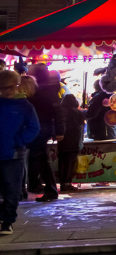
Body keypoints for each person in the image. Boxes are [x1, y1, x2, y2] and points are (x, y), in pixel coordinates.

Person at [0, 70, 40, 235]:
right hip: (8, 152)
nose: (5, 91)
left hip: (13, 154)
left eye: (8, 88)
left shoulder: (25, 106)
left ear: (17, 86)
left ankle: (7, 220)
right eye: (2, 88)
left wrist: (18, 141)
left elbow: (34, 128)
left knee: (12, 188)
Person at [26, 64, 64, 202]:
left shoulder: (42, 90)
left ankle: (46, 189)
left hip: (41, 128)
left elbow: (58, 112)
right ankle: (40, 187)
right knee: (39, 159)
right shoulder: (48, 89)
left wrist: (60, 130)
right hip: (43, 128)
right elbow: (58, 112)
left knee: (40, 159)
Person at [58, 94, 85, 192]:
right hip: (74, 140)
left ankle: (62, 183)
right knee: (70, 163)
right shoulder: (78, 112)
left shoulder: (61, 111)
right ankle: (67, 183)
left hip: (63, 140)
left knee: (62, 163)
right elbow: (81, 127)